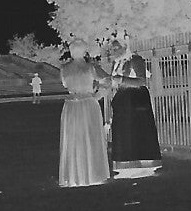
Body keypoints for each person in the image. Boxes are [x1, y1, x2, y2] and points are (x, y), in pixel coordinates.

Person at [105, 38, 163, 179]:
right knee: (123, 131)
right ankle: (125, 164)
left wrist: (122, 80)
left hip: (136, 98)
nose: (113, 51)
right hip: (123, 98)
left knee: (139, 129)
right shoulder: (116, 63)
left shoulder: (136, 60)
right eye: (112, 49)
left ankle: (144, 163)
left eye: (116, 48)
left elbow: (141, 80)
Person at [56, 39, 111, 187]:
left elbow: (66, 84)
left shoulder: (64, 69)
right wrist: (98, 95)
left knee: (74, 139)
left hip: (72, 106)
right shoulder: (90, 68)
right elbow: (108, 81)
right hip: (87, 103)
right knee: (90, 137)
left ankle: (75, 175)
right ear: (85, 51)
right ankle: (93, 173)